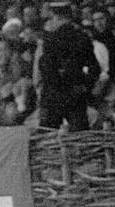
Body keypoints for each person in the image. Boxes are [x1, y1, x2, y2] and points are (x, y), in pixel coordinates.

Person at [39, 1, 100, 131]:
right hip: (75, 93)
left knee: (48, 134)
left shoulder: (50, 39)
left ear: (57, 17)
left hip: (53, 95)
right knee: (79, 134)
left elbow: (46, 67)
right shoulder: (82, 36)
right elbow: (94, 68)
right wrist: (85, 86)